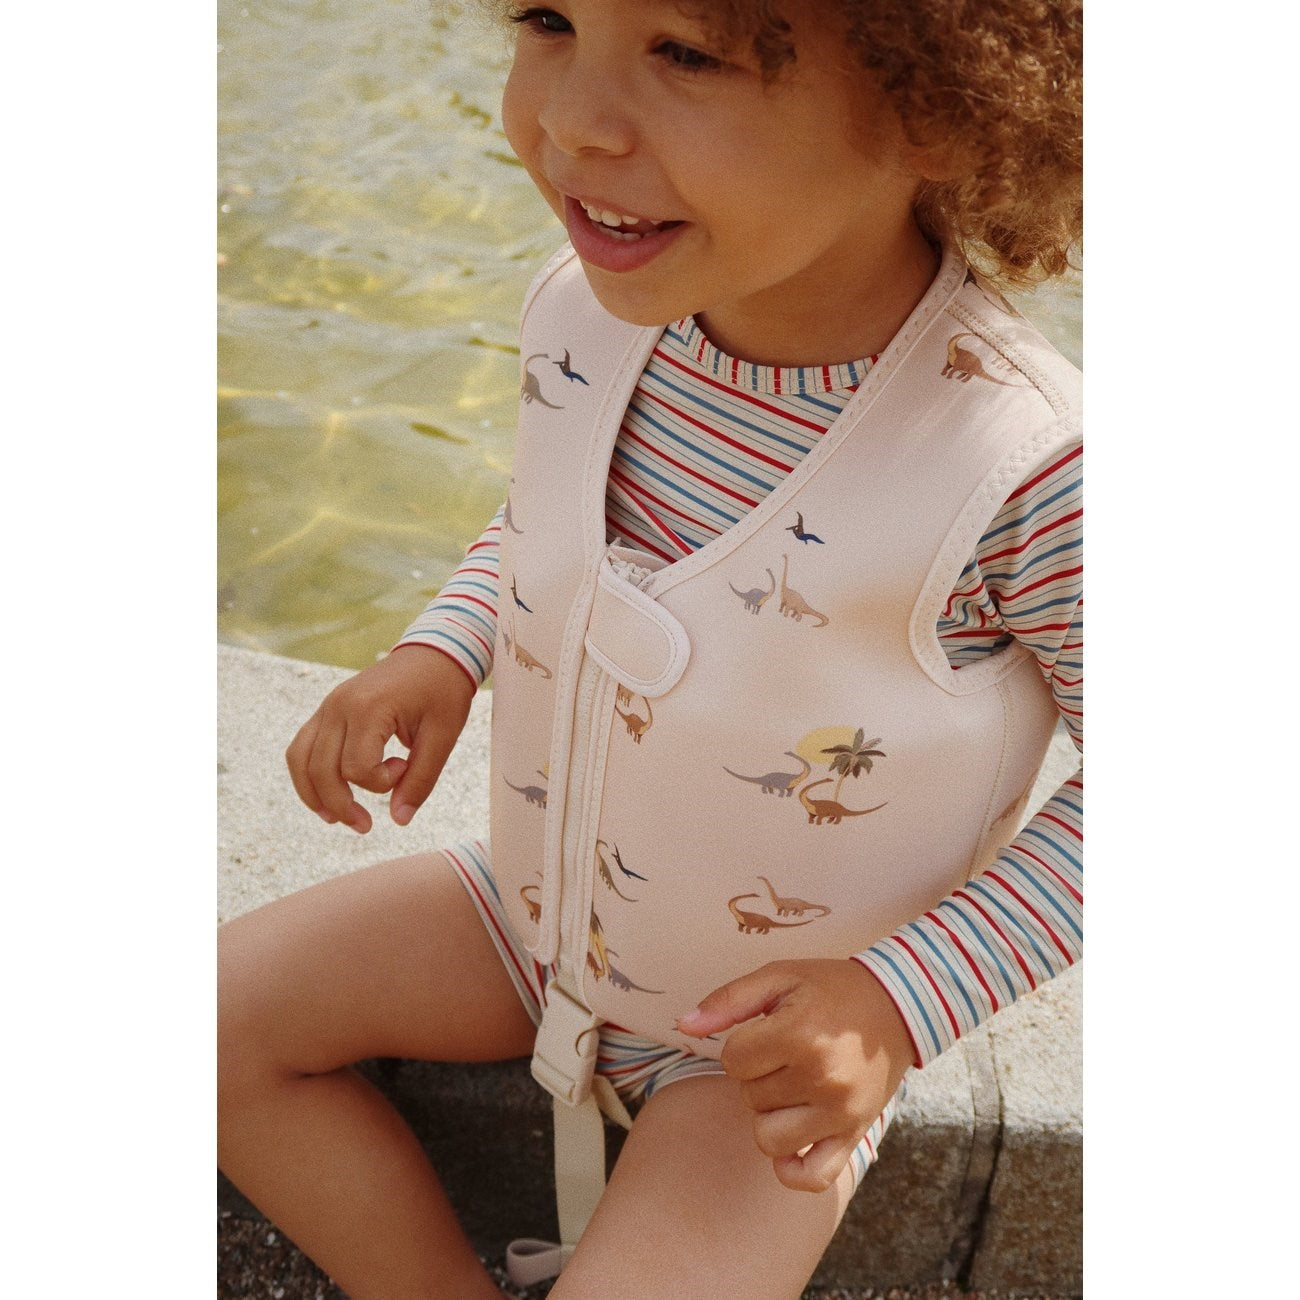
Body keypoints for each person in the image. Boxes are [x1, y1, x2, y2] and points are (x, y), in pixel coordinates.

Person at [218, 1, 1082, 1296]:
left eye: (685, 53)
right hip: (529, 917)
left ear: (937, 113)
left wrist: (898, 1001)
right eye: (549, 19)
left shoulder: (1018, 466)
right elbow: (557, 516)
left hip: (760, 1048)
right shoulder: (591, 311)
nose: (571, 120)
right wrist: (442, 650)